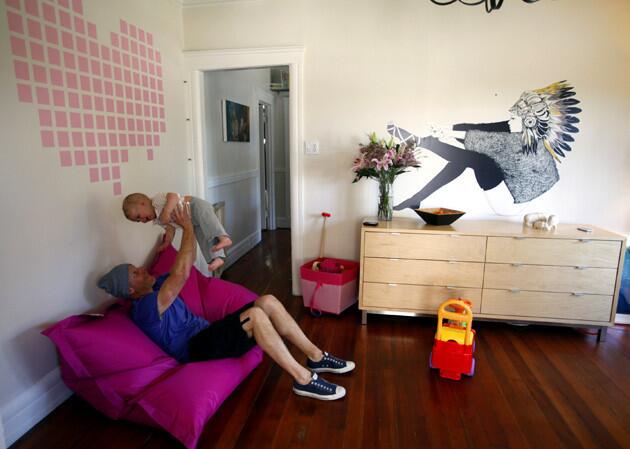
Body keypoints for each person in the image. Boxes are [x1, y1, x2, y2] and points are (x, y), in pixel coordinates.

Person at [99, 202, 354, 401]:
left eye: (137, 268)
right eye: (135, 273)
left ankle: (316, 356)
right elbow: (182, 273)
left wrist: (169, 238)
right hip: (194, 348)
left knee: (267, 301)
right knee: (255, 316)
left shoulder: (155, 283)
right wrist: (187, 227)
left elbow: (181, 264)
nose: (142, 270)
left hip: (208, 333)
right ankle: (303, 379)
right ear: (130, 289)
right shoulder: (143, 308)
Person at [388, 81, 581, 211]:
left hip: (509, 202)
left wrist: (442, 134)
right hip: (507, 189)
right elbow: (482, 130)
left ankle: (422, 143)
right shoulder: (523, 134)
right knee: (468, 157)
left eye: (517, 115)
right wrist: (445, 129)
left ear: (531, 119)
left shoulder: (524, 143)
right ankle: (418, 198)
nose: (512, 117)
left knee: (478, 158)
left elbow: (483, 139)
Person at [122, 192, 232, 272]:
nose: (141, 221)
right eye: (137, 221)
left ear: (143, 204)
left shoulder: (156, 201)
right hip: (192, 220)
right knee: (204, 238)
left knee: (210, 225)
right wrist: (167, 242)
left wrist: (167, 211)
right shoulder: (157, 220)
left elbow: (173, 196)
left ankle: (224, 238)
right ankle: (217, 258)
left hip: (194, 206)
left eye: (138, 216)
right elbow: (170, 228)